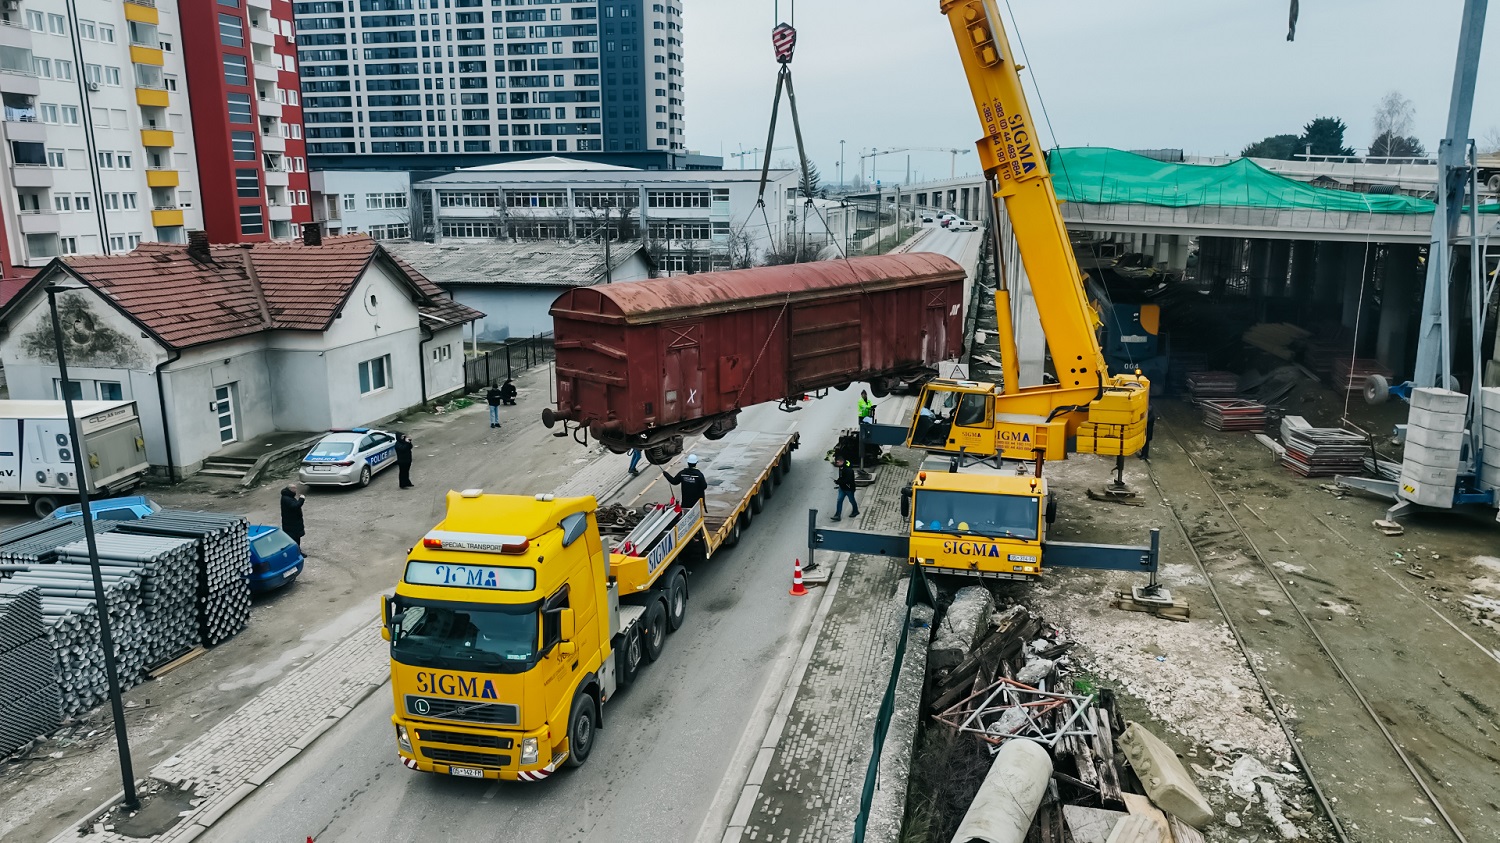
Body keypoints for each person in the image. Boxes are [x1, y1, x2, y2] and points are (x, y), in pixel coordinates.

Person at [280, 484, 306, 549]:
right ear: (291, 489)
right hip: (291, 523)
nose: (296, 490)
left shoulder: (288, 496)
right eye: (295, 489)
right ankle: (296, 552)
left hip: (293, 522)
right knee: (294, 539)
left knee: (296, 538)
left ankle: (297, 550)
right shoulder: (287, 498)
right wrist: (301, 499)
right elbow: (295, 506)